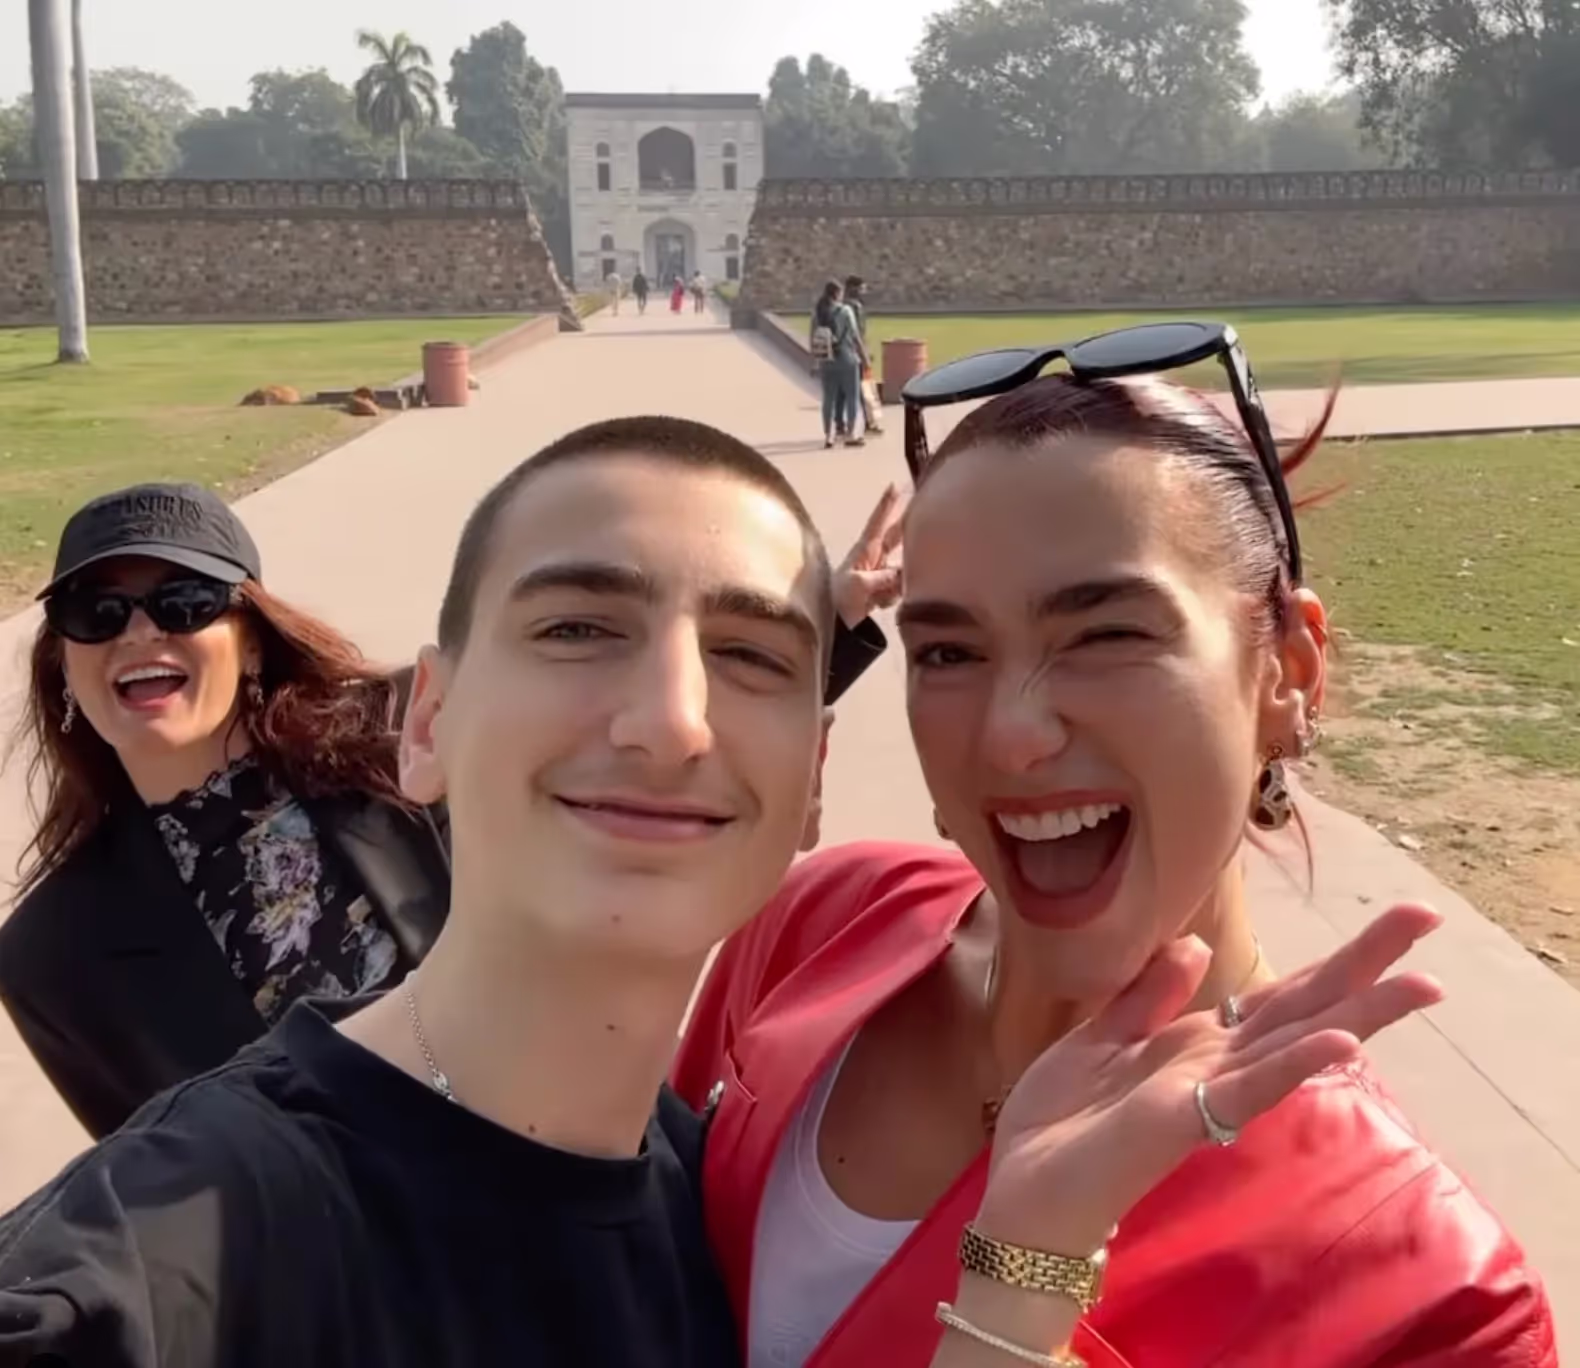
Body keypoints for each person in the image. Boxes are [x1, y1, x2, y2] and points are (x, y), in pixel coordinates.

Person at [0, 419, 1447, 1368]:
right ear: (426, 722)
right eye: (579, 627)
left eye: (752, 657)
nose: (670, 720)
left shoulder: (694, 1193)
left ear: (809, 774)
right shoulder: (151, 1269)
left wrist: (1020, 1273)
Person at [673, 329, 1558, 1367]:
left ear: (1286, 672)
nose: (1009, 734)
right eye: (949, 651)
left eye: (1106, 636)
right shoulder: (823, 921)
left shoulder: (1423, 1295)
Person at [0, 482, 450, 1140]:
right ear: (64, 665)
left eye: (186, 601)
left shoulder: (418, 741)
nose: (141, 631)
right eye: (98, 612)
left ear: (253, 643)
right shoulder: (51, 957)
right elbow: (160, 1178)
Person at [809, 280, 868, 451]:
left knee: (828, 399)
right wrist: (865, 358)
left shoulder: (817, 313)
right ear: (837, 294)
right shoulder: (845, 311)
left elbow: (813, 340)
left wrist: (814, 362)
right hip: (847, 359)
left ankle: (829, 435)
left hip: (827, 361)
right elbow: (855, 337)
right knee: (852, 397)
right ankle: (850, 434)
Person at [844, 275, 884, 437]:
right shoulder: (854, 307)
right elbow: (857, 334)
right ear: (853, 289)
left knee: (845, 392)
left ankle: (842, 426)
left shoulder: (841, 306)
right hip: (855, 353)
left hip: (845, 353)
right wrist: (864, 354)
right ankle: (869, 423)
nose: (864, 292)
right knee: (864, 389)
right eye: (862, 288)